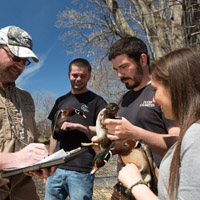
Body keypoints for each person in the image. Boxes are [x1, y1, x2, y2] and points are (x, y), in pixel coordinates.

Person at [118, 47, 200, 199]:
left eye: (155, 90)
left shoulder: (196, 135)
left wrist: (135, 184)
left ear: (177, 88)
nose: (154, 99)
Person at [104, 37, 179, 166]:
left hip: (158, 182)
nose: (120, 75)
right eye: (116, 69)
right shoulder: (123, 99)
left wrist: (136, 133)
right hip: (127, 181)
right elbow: (125, 141)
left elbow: (179, 144)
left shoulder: (164, 92)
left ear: (142, 59)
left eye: (124, 66)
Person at [0, 26, 55, 200]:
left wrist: (41, 162)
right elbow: (17, 158)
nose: (21, 65)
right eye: (16, 57)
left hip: (24, 193)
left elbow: (33, 141)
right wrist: (12, 160)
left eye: (26, 61)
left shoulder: (26, 98)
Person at [45, 58, 107, 200]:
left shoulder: (97, 101)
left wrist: (81, 128)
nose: (78, 79)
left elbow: (105, 131)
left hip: (82, 170)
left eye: (83, 76)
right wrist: (49, 161)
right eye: (75, 75)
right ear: (69, 75)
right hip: (56, 168)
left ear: (89, 77)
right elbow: (53, 133)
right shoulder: (60, 101)